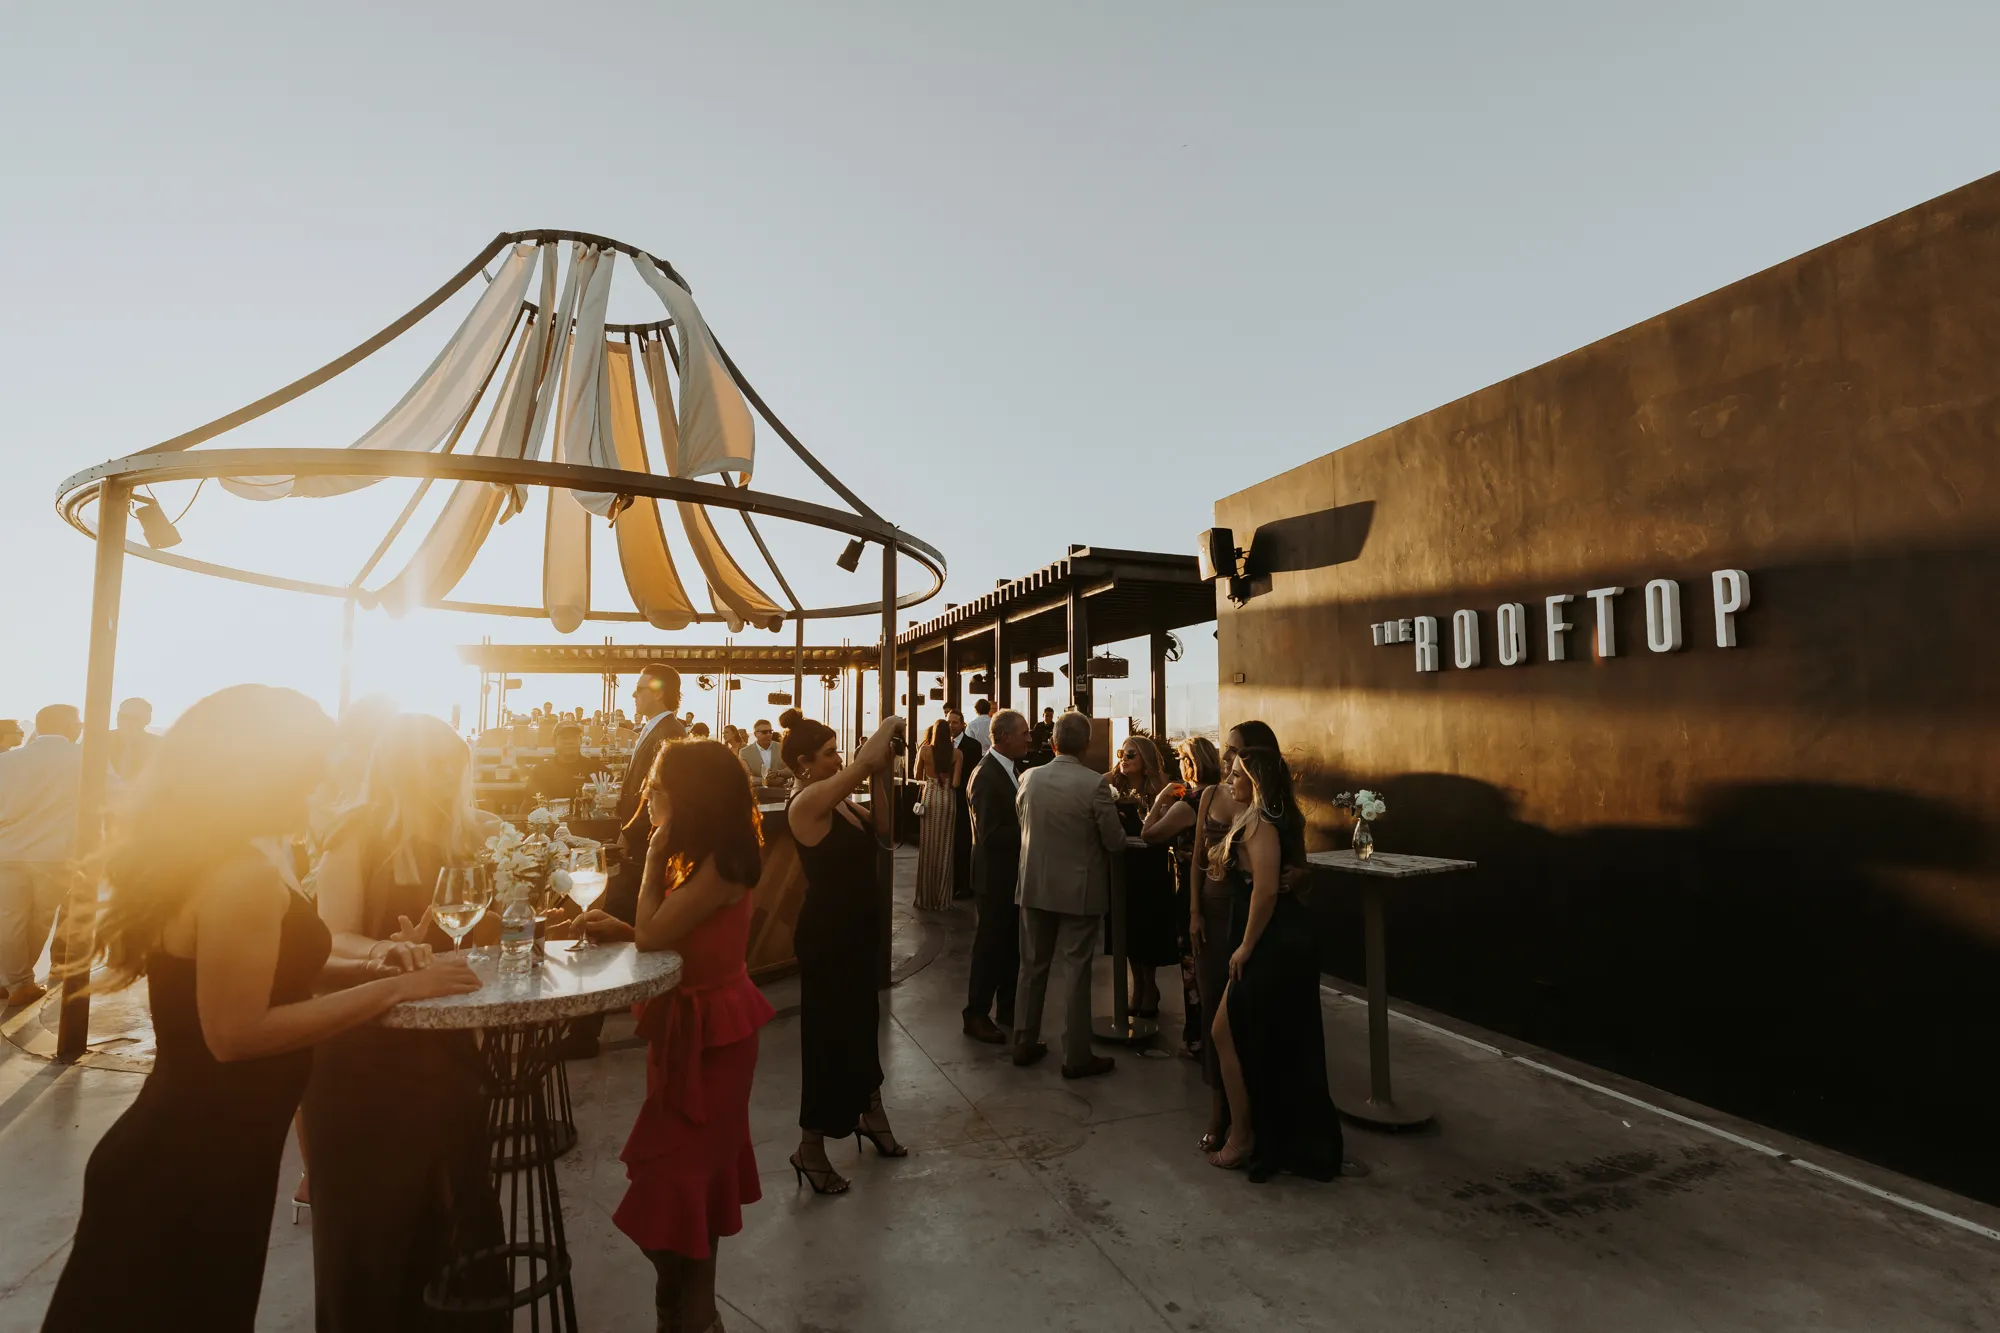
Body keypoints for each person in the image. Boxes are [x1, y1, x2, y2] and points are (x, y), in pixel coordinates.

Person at [41, 686, 479, 1333]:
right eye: (313, 762)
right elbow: (235, 1034)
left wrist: (375, 963)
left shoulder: (228, 859)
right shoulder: (239, 876)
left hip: (212, 1156)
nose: (323, 779)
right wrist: (394, 990)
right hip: (188, 1167)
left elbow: (276, 969)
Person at [301, 713, 508, 1331]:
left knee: (455, 1216)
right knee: (374, 1234)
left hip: (445, 1048)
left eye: (453, 767)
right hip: (365, 1050)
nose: (443, 779)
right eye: (431, 767)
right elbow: (330, 939)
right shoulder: (357, 833)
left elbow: (475, 936)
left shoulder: (465, 837)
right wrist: (384, 953)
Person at [565, 740, 773, 1333]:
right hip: (688, 1031)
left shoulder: (724, 864)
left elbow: (657, 936)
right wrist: (625, 928)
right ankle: (686, 1313)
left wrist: (655, 853)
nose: (647, 795)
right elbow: (672, 934)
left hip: (713, 1038)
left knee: (687, 1186)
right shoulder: (709, 858)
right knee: (686, 1190)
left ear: (689, 795)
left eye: (656, 787)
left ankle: (692, 1314)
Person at [783, 707, 908, 1194]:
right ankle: (809, 1147)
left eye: (837, 752)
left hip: (855, 932)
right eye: (829, 753)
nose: (838, 760)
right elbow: (865, 759)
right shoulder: (805, 803)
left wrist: (878, 774)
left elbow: (885, 827)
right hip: (828, 938)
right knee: (827, 1041)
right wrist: (889, 725)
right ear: (803, 763)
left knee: (861, 1028)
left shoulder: (840, 804)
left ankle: (871, 1114)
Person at [1207, 745, 1343, 1183]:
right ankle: (1253, 1132)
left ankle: (1244, 1136)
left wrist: (1246, 947)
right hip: (1271, 936)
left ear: (1256, 783)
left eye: (1237, 775)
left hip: (1273, 939)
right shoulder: (1255, 819)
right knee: (1248, 1035)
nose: (1230, 780)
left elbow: (1265, 891)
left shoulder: (1260, 823)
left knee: (1227, 1031)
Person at [1011, 710, 1124, 1079]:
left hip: (1035, 885)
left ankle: (1024, 1041)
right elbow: (1114, 841)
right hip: (1080, 891)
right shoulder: (1094, 785)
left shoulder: (1028, 778)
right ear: (1087, 745)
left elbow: (1023, 822)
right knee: (1077, 971)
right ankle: (1076, 1056)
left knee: (1032, 966)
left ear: (1052, 742)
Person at [1140, 737, 1224, 1067]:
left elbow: (1149, 834)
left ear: (1192, 763)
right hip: (1219, 887)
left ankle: (1196, 1039)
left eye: (1182, 759)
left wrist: (1161, 798)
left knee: (1192, 965)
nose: (1180, 764)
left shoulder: (1190, 803)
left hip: (1191, 888)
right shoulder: (1225, 797)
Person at [0, 705, 84, 1009]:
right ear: (70, 726)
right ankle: (19, 983)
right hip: (54, 854)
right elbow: (116, 794)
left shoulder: (7, 761)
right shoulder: (83, 758)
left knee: (9, 918)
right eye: (78, 722)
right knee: (40, 918)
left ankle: (11, 981)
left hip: (7, 851)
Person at [963, 709, 1028, 1043]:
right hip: (994, 877)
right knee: (989, 947)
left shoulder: (1009, 769)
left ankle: (1007, 1009)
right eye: (1024, 733)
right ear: (1005, 737)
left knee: (1009, 947)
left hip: (1008, 875)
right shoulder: (987, 775)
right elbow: (989, 834)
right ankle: (975, 1015)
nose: (1029, 738)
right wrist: (1031, 830)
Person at [911, 719, 960, 912]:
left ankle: (925, 898)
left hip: (930, 798)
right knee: (945, 848)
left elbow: (917, 775)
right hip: (947, 800)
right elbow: (956, 783)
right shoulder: (957, 754)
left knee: (928, 846)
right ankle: (942, 899)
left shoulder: (924, 750)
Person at [948, 708, 979, 900]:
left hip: (962, 799)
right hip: (944, 798)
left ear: (962, 724)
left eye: (954, 722)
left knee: (963, 841)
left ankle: (965, 885)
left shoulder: (972, 746)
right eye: (948, 722)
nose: (951, 726)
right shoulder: (940, 745)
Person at [530, 720, 597, 803]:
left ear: (580, 741)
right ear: (554, 742)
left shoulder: (596, 769)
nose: (570, 741)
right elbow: (528, 803)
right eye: (564, 738)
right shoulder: (540, 771)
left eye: (574, 737)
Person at [109, 697, 160, 781]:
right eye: (123, 716)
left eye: (134, 718)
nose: (127, 722)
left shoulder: (159, 746)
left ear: (148, 720)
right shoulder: (99, 741)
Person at [737, 718, 791, 788]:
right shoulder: (745, 752)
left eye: (770, 731)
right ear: (755, 734)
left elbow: (792, 770)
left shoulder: (782, 747)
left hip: (781, 792)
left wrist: (778, 773)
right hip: (757, 793)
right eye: (764, 732)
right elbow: (747, 777)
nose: (768, 734)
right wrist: (768, 781)